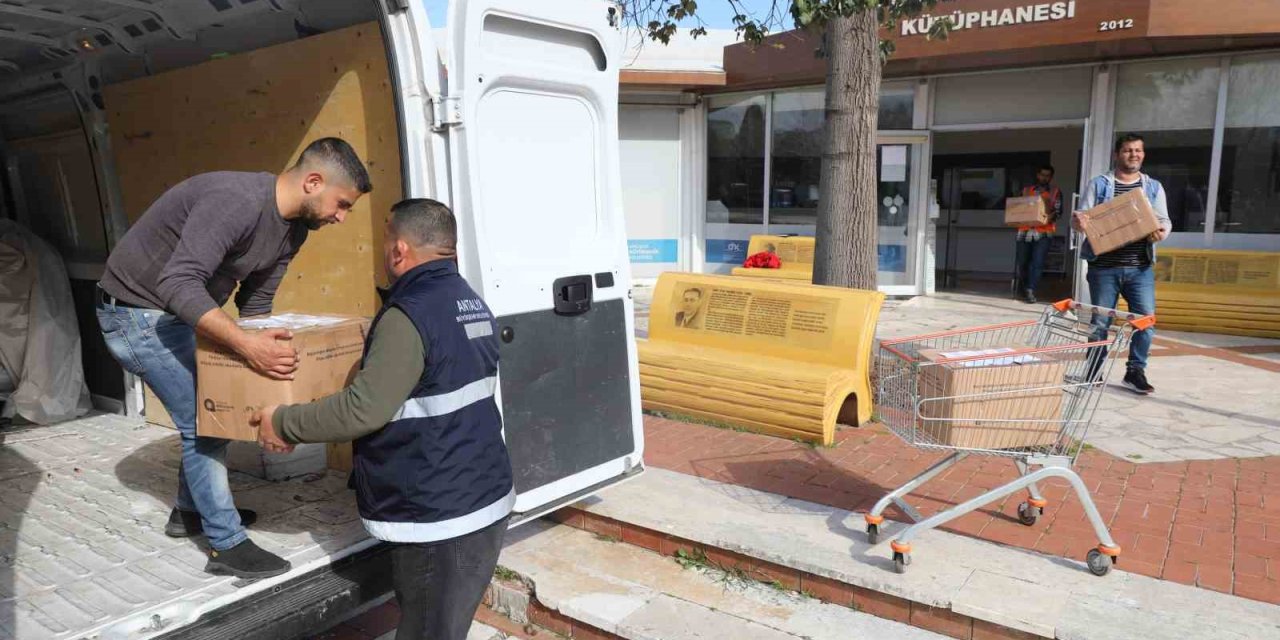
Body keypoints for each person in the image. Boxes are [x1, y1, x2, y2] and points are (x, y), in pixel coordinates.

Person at [96, 138, 372, 578]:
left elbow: (257, 304)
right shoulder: (236, 202)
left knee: (214, 415)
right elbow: (178, 283)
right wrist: (246, 347)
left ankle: (188, 514)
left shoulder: (294, 228)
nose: (341, 217)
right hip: (135, 315)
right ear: (313, 181)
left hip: (177, 312)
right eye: (341, 205)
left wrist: (268, 366)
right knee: (202, 422)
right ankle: (225, 544)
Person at [251, 199, 514, 640]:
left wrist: (282, 421)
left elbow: (363, 408)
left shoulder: (408, 315)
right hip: (483, 496)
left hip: (440, 517)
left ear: (399, 251)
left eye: (386, 240)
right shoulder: (471, 302)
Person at [1073, 133, 1172, 395]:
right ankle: (1093, 370)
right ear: (1117, 154)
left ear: (1143, 154)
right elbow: (1082, 217)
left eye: (1138, 150)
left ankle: (1135, 371)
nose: (1134, 155)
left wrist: (1161, 232)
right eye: (1128, 150)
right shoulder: (1100, 184)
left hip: (1140, 268)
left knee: (1145, 322)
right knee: (1100, 323)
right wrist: (1079, 223)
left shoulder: (1153, 188)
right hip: (1104, 268)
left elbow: (1164, 220)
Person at [1015, 164, 1063, 304]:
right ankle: (1023, 288)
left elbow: (1058, 212)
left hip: (1044, 232)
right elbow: (1017, 208)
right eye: (1042, 175)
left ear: (1051, 177)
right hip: (1023, 231)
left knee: (1037, 263)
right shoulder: (1026, 190)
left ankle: (1030, 290)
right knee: (1022, 262)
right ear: (1038, 175)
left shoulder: (1055, 192)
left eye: (1047, 175)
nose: (1044, 178)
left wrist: (1047, 216)